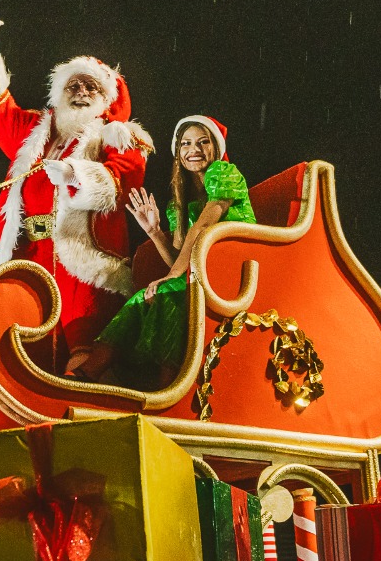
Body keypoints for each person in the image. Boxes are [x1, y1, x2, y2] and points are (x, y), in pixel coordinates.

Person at [0, 5, 154, 368]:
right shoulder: (35, 129)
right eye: (73, 85)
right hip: (29, 251)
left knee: (84, 345)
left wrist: (77, 175)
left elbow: (124, 178)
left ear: (105, 98)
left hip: (82, 256)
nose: (80, 91)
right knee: (21, 336)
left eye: (90, 86)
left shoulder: (118, 134)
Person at [71, 115, 256, 385]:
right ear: (178, 152)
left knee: (169, 291)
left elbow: (204, 227)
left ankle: (166, 382)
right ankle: (89, 373)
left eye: (203, 142)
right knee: (140, 298)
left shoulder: (223, 172)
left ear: (216, 148)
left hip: (235, 265)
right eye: (186, 143)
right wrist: (155, 232)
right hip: (202, 274)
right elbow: (177, 260)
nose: (194, 150)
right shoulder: (179, 204)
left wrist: (173, 277)